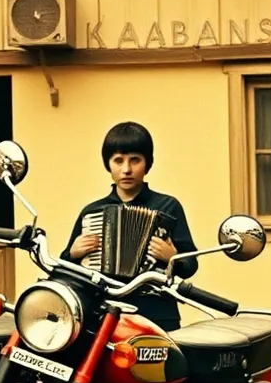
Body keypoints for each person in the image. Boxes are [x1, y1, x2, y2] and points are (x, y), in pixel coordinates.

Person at [61, 121, 198, 331]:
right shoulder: (92, 212)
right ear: (108, 164)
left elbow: (191, 264)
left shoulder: (168, 206)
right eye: (118, 160)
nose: (126, 169)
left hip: (157, 312)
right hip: (104, 312)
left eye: (135, 160)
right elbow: (65, 270)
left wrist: (173, 257)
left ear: (148, 163)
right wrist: (72, 254)